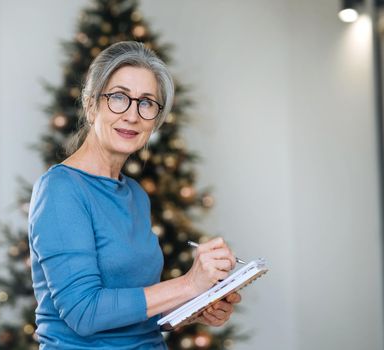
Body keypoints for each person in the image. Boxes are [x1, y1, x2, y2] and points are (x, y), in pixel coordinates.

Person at [28, 41, 241, 350]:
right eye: (118, 98)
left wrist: (195, 304)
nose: (132, 115)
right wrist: (187, 283)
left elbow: (133, 307)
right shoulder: (60, 190)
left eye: (146, 103)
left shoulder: (136, 195)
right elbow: (84, 313)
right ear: (90, 105)